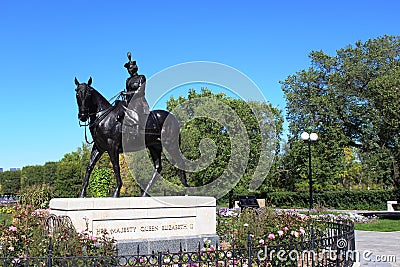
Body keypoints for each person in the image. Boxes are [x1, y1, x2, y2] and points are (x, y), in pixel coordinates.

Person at [121, 51, 150, 137]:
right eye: (128, 69)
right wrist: (124, 95)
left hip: (139, 102)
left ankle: (139, 131)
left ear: (134, 67)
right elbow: (128, 92)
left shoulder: (141, 77)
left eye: (130, 68)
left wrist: (127, 93)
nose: (129, 70)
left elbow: (141, 92)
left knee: (135, 111)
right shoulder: (128, 80)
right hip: (130, 102)